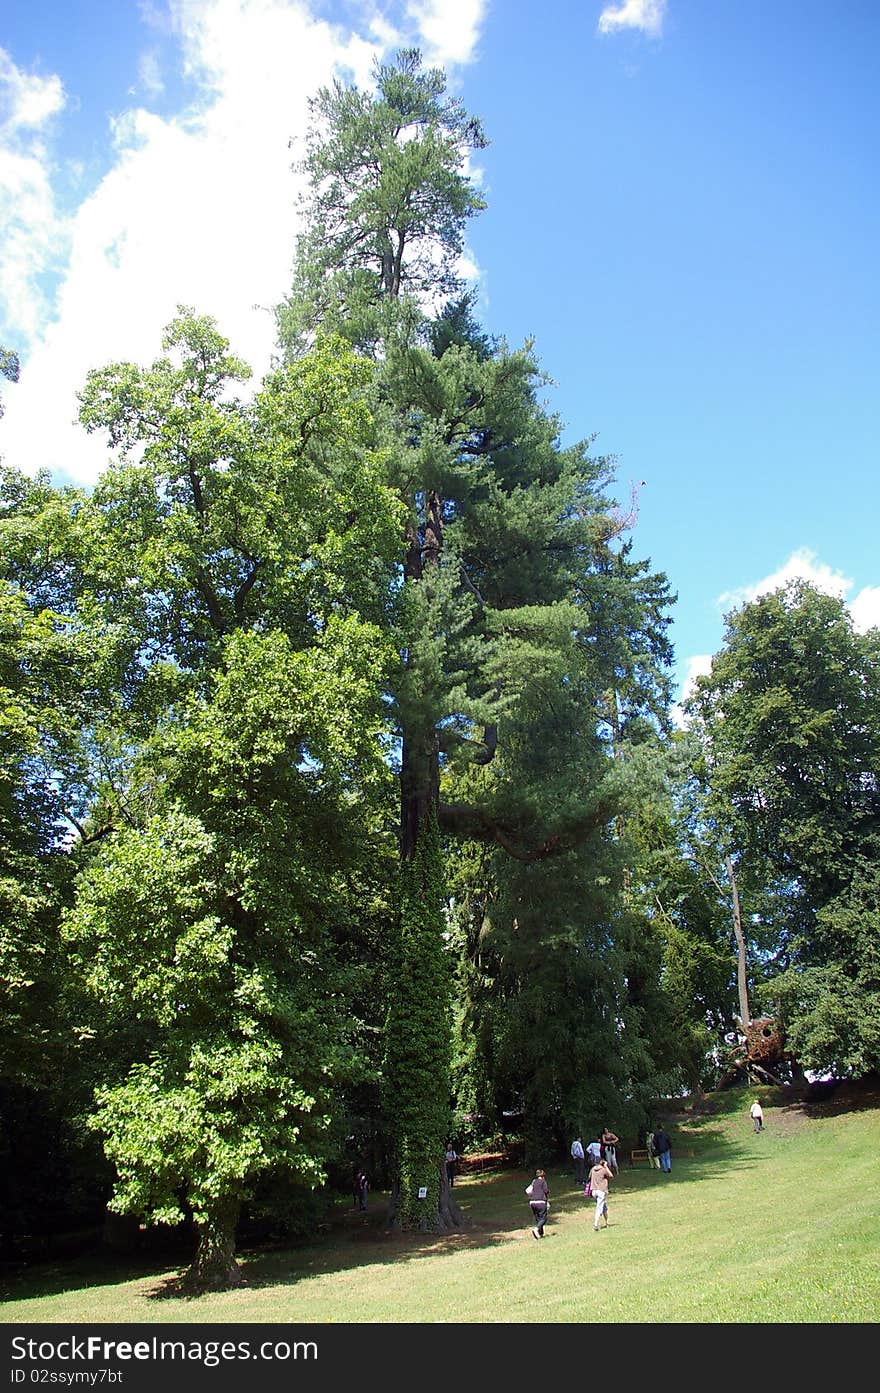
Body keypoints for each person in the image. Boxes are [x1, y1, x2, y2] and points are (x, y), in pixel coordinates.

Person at [588, 1156, 614, 1231]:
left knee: (603, 1206)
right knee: (599, 1208)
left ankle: (607, 1222)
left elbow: (589, 1177)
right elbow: (611, 1175)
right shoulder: (603, 1169)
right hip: (601, 1191)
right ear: (600, 1161)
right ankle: (595, 1224)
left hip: (594, 1191)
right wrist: (606, 1166)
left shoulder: (592, 1169)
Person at [526, 1167, 550, 1238]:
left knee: (538, 1219)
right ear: (543, 1176)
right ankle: (536, 1229)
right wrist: (548, 1192)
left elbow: (528, 1190)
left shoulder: (534, 1181)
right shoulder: (543, 1181)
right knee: (543, 1218)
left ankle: (540, 1234)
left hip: (532, 1202)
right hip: (541, 1201)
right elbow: (545, 1191)